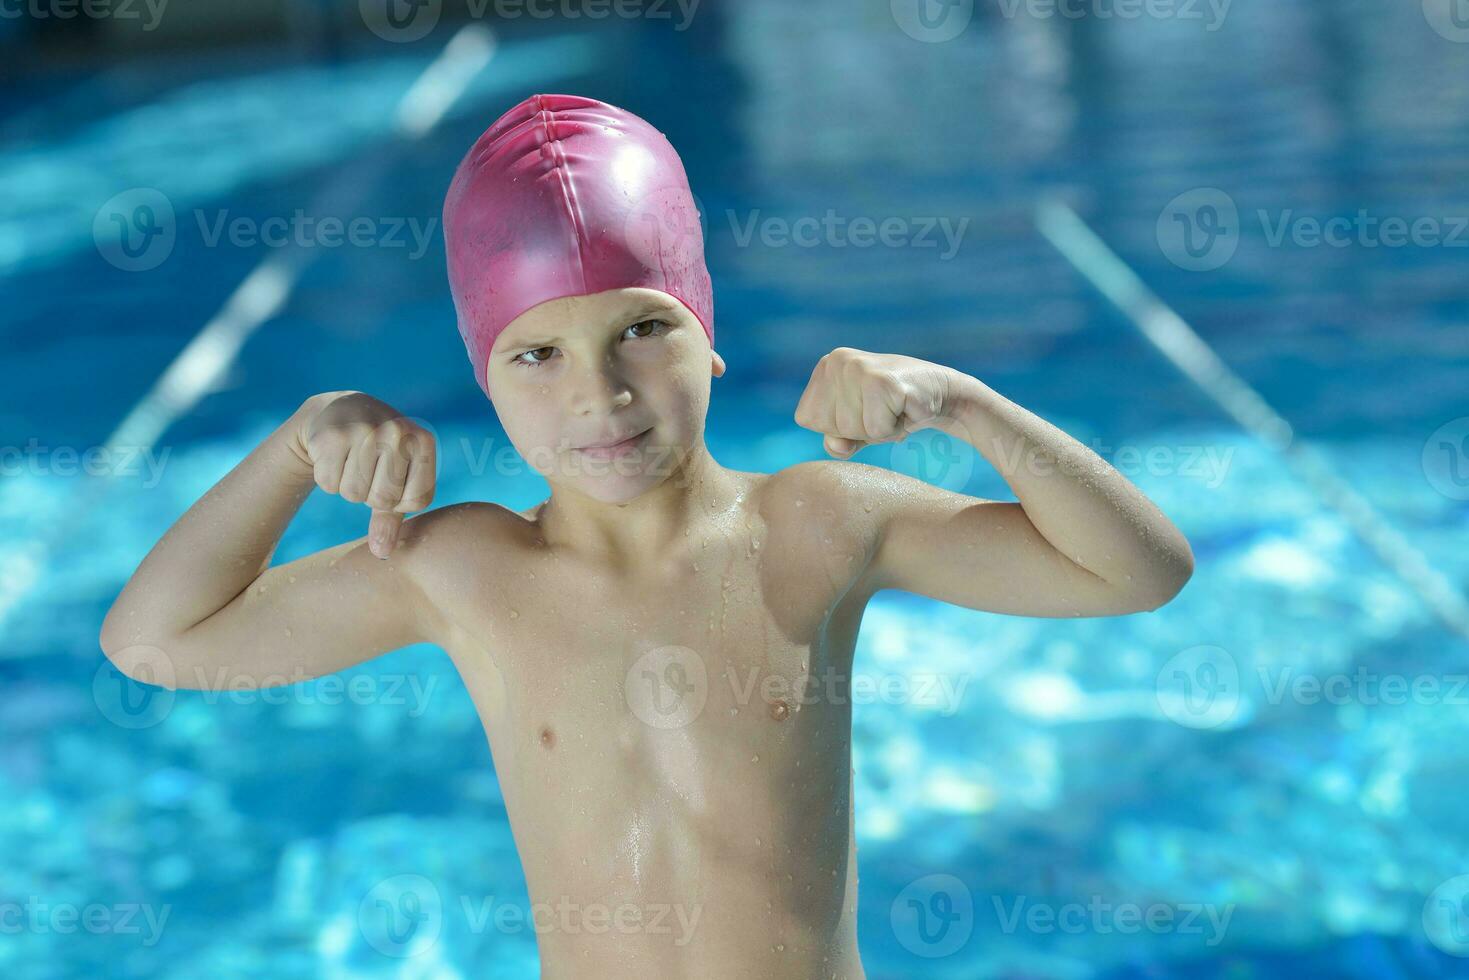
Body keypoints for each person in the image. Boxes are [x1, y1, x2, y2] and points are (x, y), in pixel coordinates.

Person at [99, 93, 1193, 978]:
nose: (602, 394)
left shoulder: (814, 521)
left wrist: (960, 402)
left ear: (705, 335)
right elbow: (157, 641)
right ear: (484, 376)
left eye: (640, 329)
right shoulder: (462, 569)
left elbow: (1138, 569)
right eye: (538, 354)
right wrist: (296, 446)